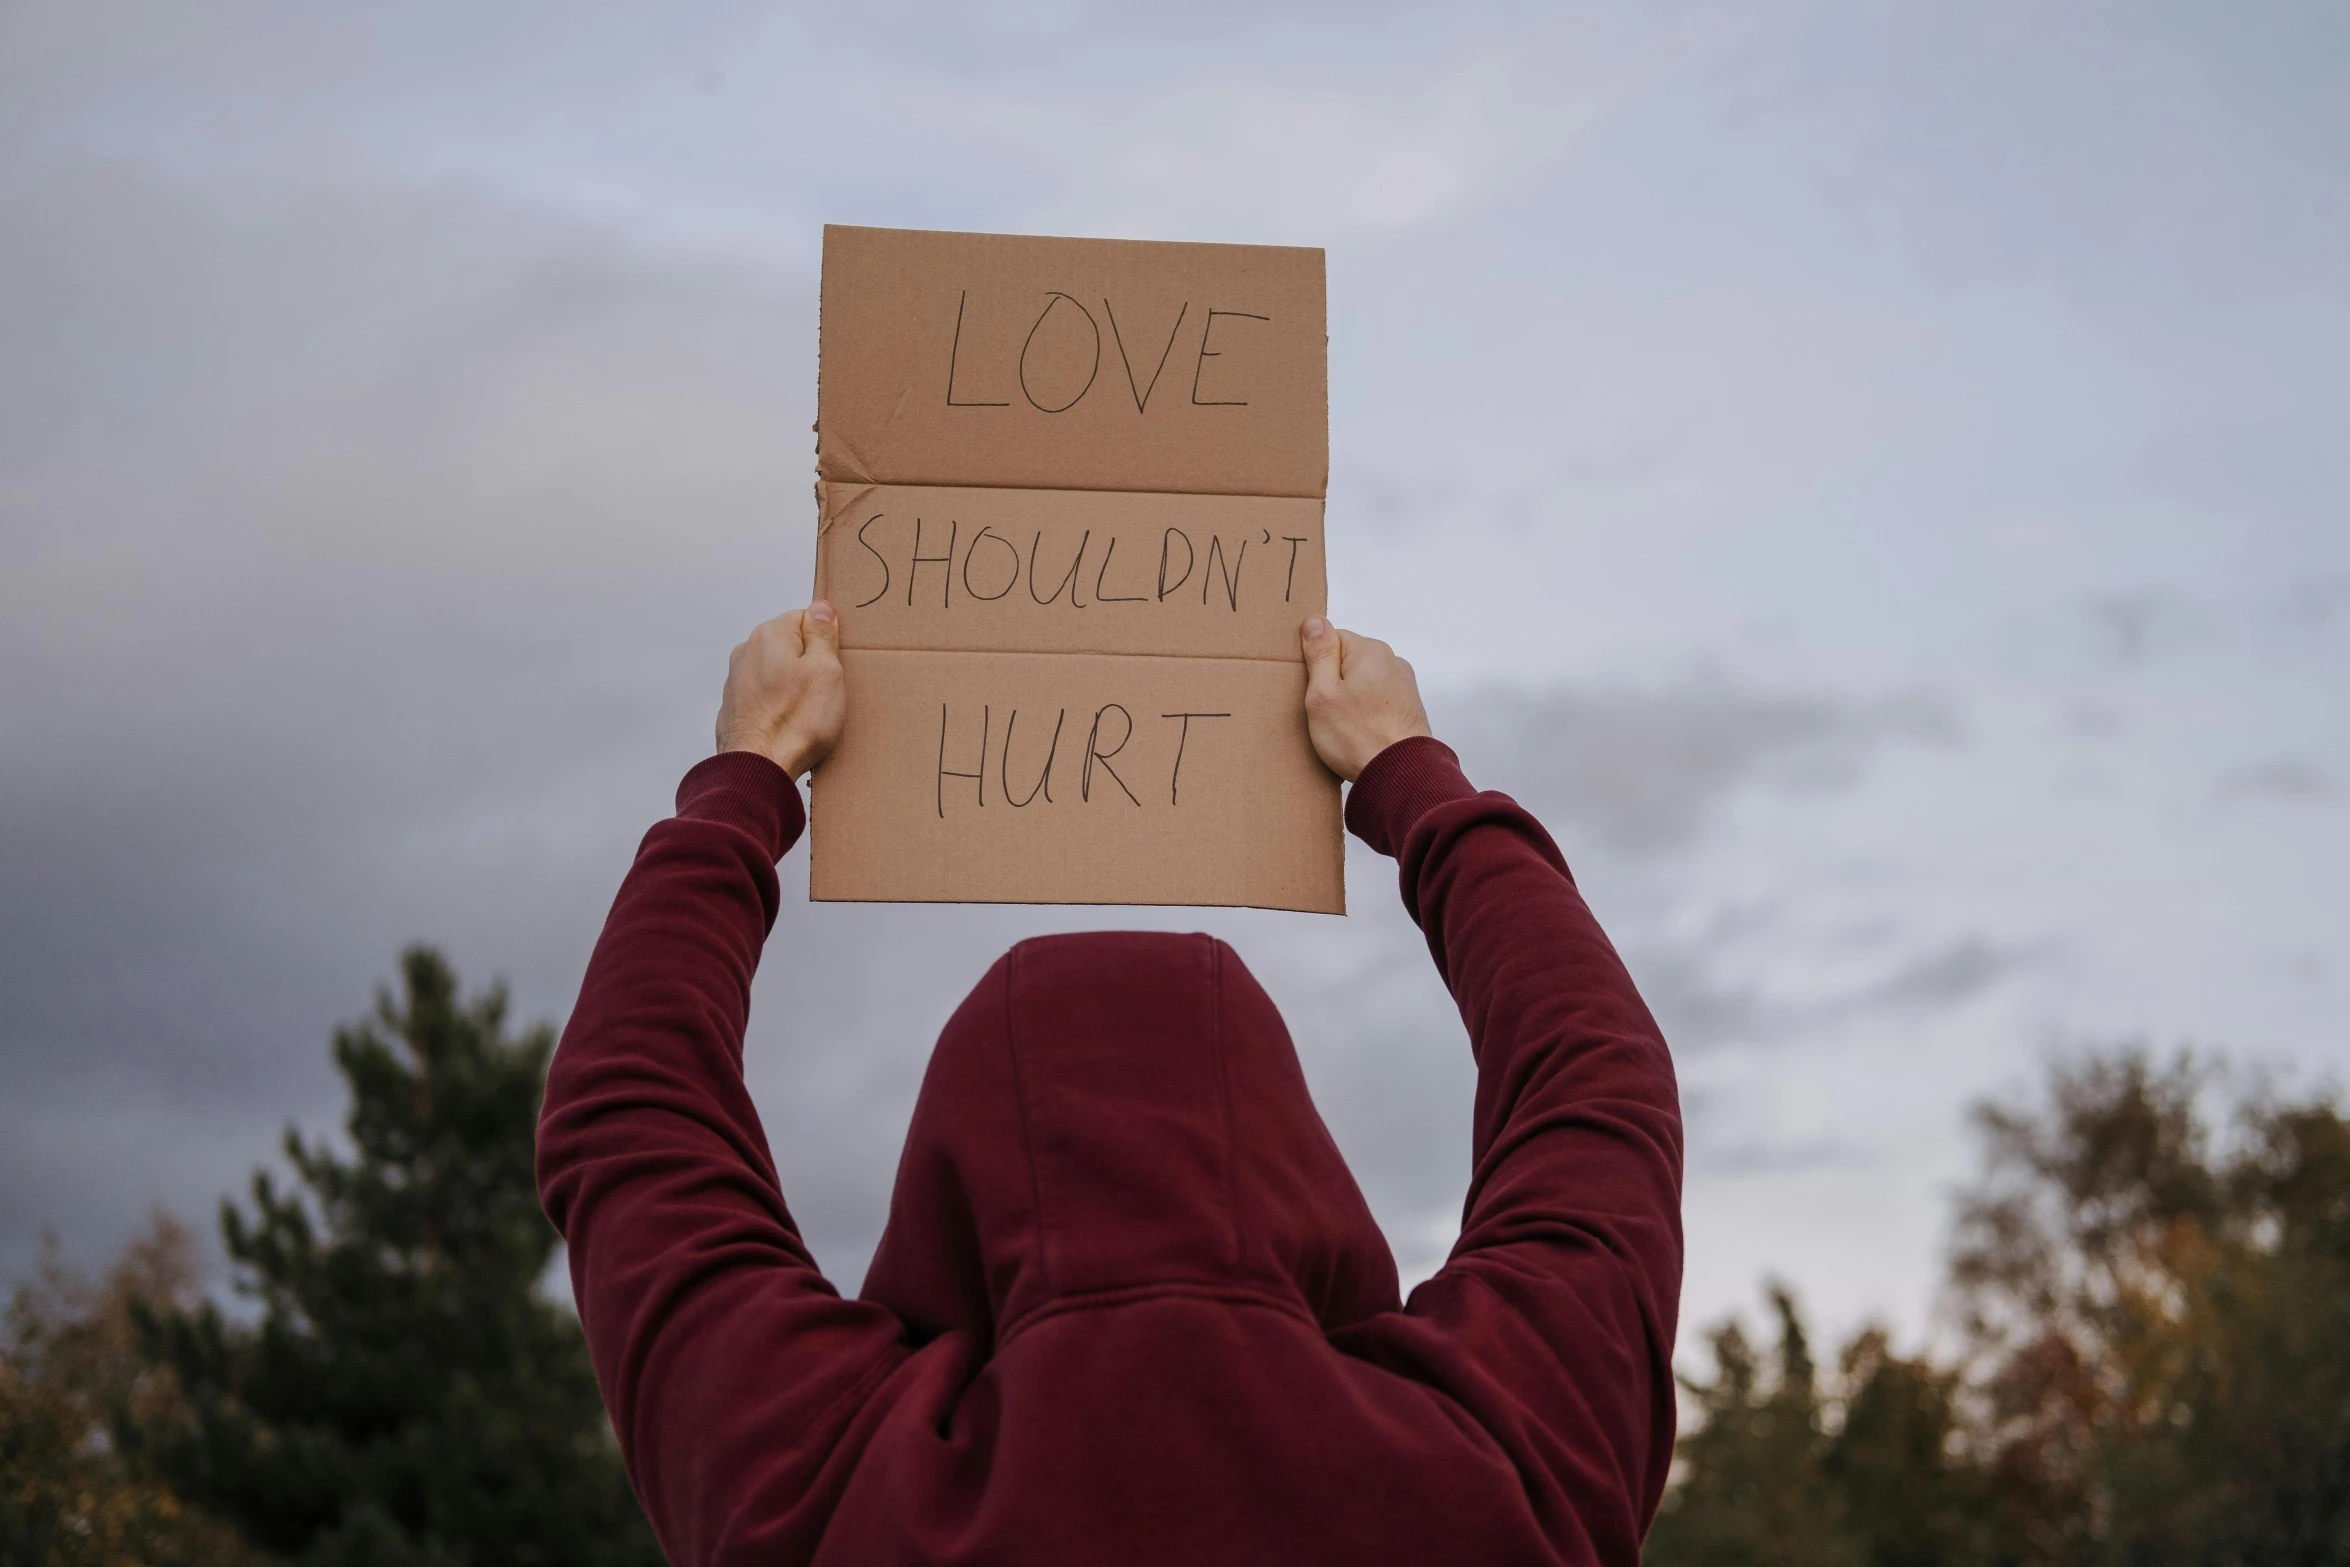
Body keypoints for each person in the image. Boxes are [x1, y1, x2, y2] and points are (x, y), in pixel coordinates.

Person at [537, 599, 1683, 1567]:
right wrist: (1411, 779)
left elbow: (631, 1120)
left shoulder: (814, 1484)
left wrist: (748, 777)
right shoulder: (1504, 1462)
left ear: (951, 1188)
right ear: (1292, 1161)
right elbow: (1597, 1089)